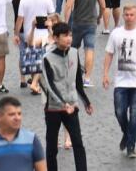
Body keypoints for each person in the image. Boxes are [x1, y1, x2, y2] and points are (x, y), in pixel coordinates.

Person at [102, 4, 136, 159]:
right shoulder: (116, 33)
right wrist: (105, 74)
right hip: (121, 81)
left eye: (132, 15)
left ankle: (131, 146)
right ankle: (127, 134)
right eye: (126, 15)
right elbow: (109, 54)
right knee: (119, 112)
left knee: (135, 115)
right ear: (123, 16)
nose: (129, 17)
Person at [40, 22, 91, 171]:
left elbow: (78, 80)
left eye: (70, 35)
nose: (69, 39)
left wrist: (86, 102)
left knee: (78, 143)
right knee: (52, 147)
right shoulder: (47, 58)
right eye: (65, 36)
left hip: (72, 106)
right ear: (56, 38)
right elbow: (50, 86)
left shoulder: (74, 53)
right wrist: (63, 104)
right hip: (53, 108)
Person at [0, 96, 43, 171]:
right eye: (12, 114)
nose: (17, 118)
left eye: (19, 114)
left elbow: (42, 168)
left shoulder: (31, 139)